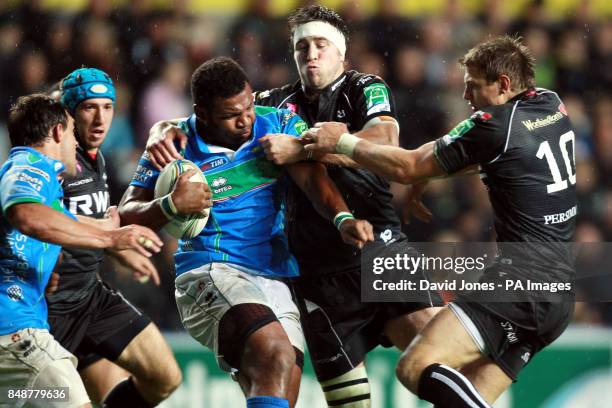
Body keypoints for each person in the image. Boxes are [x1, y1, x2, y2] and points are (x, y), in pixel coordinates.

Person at [145, 6, 442, 407]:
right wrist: (163, 129)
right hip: (316, 272)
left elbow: (386, 142)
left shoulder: (363, 87)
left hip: (378, 247)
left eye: (322, 45)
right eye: (303, 46)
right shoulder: (275, 102)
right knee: (351, 402)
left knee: (435, 365)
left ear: (341, 53)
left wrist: (306, 147)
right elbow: (214, 112)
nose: (312, 54)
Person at [303, 35, 577, 407]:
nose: (466, 97)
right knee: (466, 392)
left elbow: (409, 165)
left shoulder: (494, 124)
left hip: (519, 286)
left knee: (415, 366)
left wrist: (343, 142)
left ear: (504, 84)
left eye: (473, 87)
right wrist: (431, 175)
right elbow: (506, 161)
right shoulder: (550, 104)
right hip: (558, 295)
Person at [118, 56, 374, 408]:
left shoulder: (278, 123)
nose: (246, 119)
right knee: (275, 353)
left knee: (282, 384)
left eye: (249, 105)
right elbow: (126, 213)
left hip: (276, 274)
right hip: (210, 268)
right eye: (231, 115)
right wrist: (170, 206)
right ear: (202, 113)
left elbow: (313, 178)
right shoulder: (174, 146)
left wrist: (342, 218)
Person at [0, 94, 162, 408]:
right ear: (59, 132)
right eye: (73, 131)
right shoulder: (31, 168)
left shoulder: (40, 184)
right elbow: (25, 215)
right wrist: (110, 240)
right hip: (17, 335)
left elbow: (68, 222)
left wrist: (110, 228)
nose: (76, 142)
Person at [45, 68, 182, 407]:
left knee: (164, 378)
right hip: (46, 310)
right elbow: (36, 218)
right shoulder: (48, 160)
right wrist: (111, 237)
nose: (100, 118)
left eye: (107, 107)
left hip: (90, 298)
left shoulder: (97, 159)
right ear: (71, 112)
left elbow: (87, 224)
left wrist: (116, 249)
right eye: (90, 107)